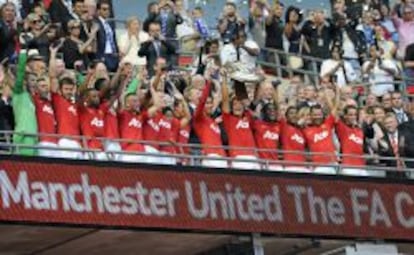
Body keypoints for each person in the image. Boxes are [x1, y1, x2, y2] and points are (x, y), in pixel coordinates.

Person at [221, 72, 260, 170]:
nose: (237, 106)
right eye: (234, 104)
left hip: (254, 157)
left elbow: (254, 100)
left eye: (239, 104)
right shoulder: (228, 119)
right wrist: (224, 79)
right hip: (237, 157)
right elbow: (225, 99)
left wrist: (258, 82)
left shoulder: (248, 116)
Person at [193, 76, 227, 168]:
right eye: (207, 103)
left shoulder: (213, 122)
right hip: (210, 156)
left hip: (222, 157)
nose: (210, 105)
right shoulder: (199, 119)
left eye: (211, 103)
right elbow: (202, 102)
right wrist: (208, 83)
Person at [11, 49, 38, 156]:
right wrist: (22, 54)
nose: (34, 83)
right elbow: (21, 74)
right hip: (23, 137)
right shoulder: (18, 92)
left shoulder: (31, 98)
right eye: (31, 80)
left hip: (34, 139)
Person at [302, 102, 339, 175]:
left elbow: (335, 109)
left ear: (322, 115)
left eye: (319, 114)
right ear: (311, 116)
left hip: (332, 163)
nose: (317, 117)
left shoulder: (327, 124)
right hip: (318, 166)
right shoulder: (305, 129)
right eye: (315, 115)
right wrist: (304, 120)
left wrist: (337, 91)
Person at [336, 105, 367, 176]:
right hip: (348, 166)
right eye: (350, 115)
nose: (353, 117)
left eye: (355, 115)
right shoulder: (342, 128)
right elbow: (334, 114)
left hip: (361, 166)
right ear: (345, 116)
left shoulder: (360, 130)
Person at [377, 113, 407, 178]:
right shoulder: (382, 140)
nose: (389, 125)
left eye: (391, 122)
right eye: (386, 123)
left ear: (396, 123)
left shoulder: (405, 135)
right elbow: (382, 160)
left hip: (407, 170)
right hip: (391, 174)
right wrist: (385, 150)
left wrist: (404, 147)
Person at [280, 106, 308, 172]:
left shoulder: (302, 131)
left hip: (303, 166)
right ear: (286, 116)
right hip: (290, 166)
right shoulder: (284, 127)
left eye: (295, 113)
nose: (294, 115)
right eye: (291, 113)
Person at [96, 0, 119, 72]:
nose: (107, 11)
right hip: (102, 55)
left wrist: (116, 52)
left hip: (113, 56)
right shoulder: (95, 23)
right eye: (104, 9)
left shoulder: (110, 24)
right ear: (98, 11)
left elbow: (113, 39)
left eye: (108, 9)